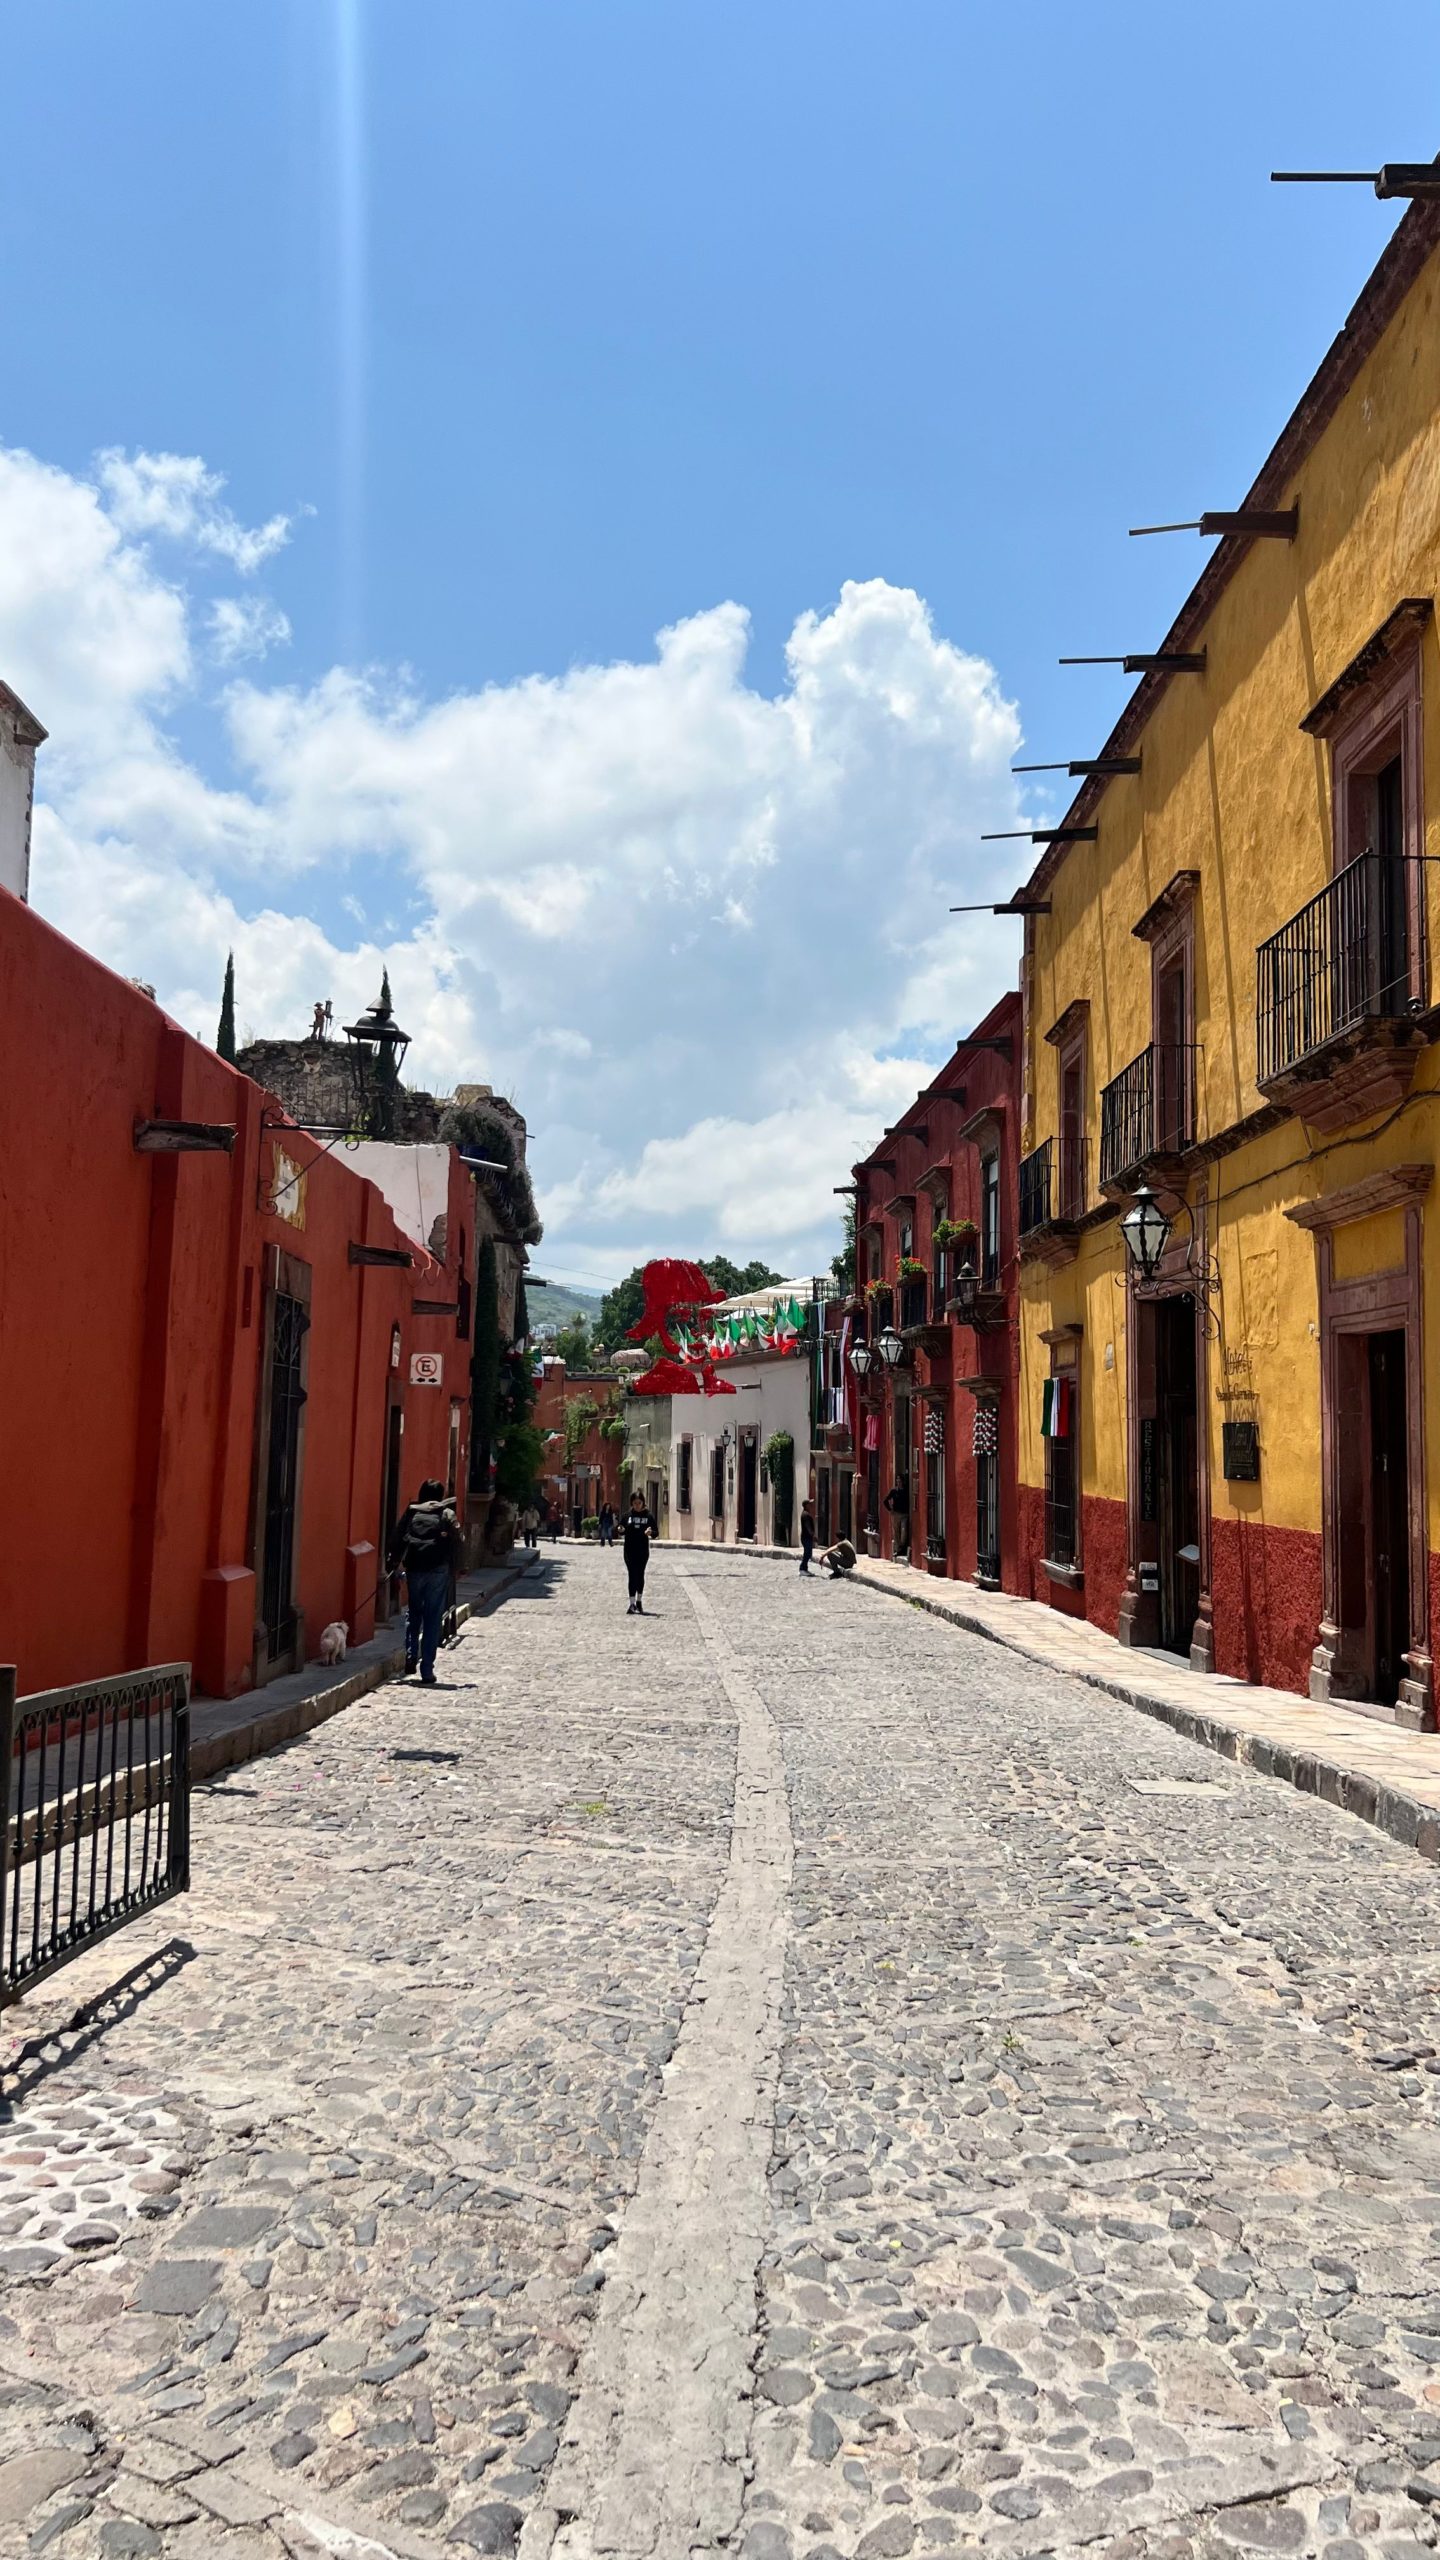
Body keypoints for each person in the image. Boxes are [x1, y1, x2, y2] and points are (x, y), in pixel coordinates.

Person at [387, 1478, 464, 1684]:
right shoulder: (446, 1513)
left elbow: (398, 1536)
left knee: (414, 1613)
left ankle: (411, 1654)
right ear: (441, 1495)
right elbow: (458, 1539)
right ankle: (427, 1669)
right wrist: (457, 1567)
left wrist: (393, 1562)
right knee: (432, 1619)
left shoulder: (412, 1511)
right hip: (438, 1571)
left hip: (414, 1569)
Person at [623, 1491, 657, 1615]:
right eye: (635, 1503)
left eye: (639, 1503)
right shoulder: (627, 1515)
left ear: (643, 1503)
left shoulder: (648, 1516)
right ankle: (631, 1604)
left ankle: (639, 1601)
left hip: (642, 1550)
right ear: (632, 1503)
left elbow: (656, 1532)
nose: (637, 1505)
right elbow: (621, 1528)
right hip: (629, 1550)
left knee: (640, 1574)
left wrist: (650, 1532)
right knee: (632, 1575)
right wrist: (620, 1529)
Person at [799, 1500, 816, 1575]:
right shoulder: (806, 1515)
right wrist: (812, 1535)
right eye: (809, 1504)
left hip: (806, 1537)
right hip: (806, 1537)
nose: (811, 1505)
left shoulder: (806, 1514)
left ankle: (804, 1568)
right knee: (807, 1553)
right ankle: (802, 1568)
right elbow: (808, 1526)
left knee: (808, 1553)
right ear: (806, 1505)